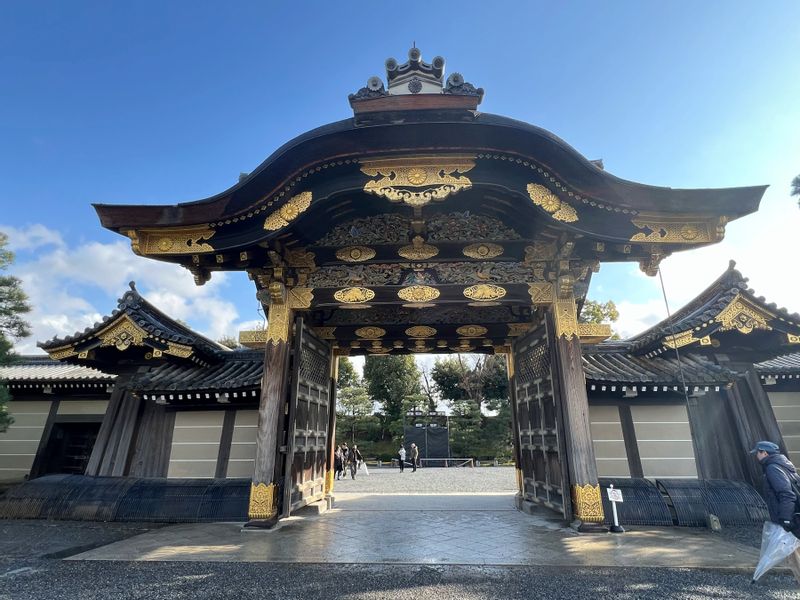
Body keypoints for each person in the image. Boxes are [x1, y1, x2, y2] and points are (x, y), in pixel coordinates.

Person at [751, 440, 799, 537]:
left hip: (788, 517)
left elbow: (786, 493)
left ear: (764, 453)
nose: (756, 456)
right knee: (790, 548)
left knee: (786, 549)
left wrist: (786, 518)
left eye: (757, 453)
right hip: (793, 514)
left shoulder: (773, 468)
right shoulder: (785, 465)